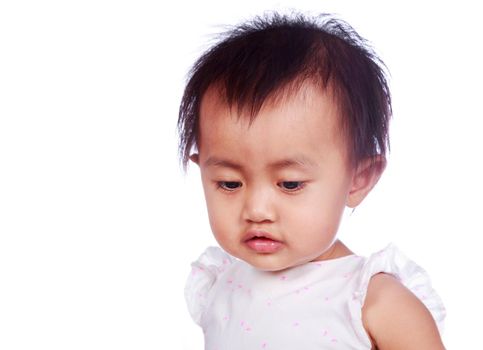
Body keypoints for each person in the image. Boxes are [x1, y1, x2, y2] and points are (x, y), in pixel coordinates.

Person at [178, 11, 446, 349]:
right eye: (230, 183)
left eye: (290, 184)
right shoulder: (219, 287)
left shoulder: (373, 303)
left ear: (357, 180)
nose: (257, 210)